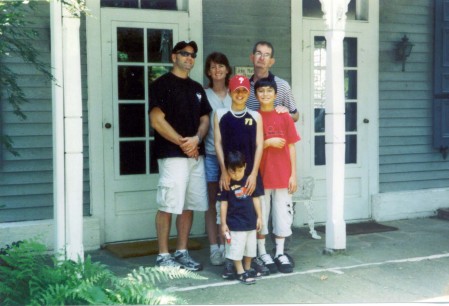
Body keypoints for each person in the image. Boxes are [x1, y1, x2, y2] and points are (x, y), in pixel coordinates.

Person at [149, 40, 212, 271]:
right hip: (172, 155)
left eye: (193, 55)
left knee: (188, 205)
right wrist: (183, 143)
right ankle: (163, 256)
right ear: (174, 57)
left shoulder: (196, 88)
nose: (189, 58)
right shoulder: (161, 85)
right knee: (168, 204)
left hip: (195, 155)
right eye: (184, 54)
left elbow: (205, 118)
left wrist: (196, 139)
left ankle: (182, 252)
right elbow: (156, 120)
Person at [214, 74, 268, 278]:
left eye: (243, 90)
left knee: (251, 215)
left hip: (249, 173)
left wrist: (253, 173)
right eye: (236, 90)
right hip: (229, 173)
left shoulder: (255, 116)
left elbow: (259, 144)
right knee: (225, 215)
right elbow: (218, 143)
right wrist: (223, 171)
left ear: (248, 93)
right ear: (230, 91)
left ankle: (250, 259)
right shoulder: (220, 114)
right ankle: (230, 259)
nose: (239, 93)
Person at [255, 77, 301, 274]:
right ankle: (262, 252)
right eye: (261, 91)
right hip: (261, 175)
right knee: (261, 215)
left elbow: (291, 146)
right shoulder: (253, 117)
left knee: (282, 214)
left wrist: (294, 175)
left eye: (269, 91)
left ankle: (280, 252)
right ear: (255, 95)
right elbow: (251, 147)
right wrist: (268, 142)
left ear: (275, 94)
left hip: (283, 174)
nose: (265, 95)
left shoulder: (284, 116)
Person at [203, 52, 233, 266]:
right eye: (213, 67)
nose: (217, 70)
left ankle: (227, 245)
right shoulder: (203, 95)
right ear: (208, 71)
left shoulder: (236, 94)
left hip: (234, 160)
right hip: (212, 156)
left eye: (221, 66)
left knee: (230, 203)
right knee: (212, 203)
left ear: (227, 69)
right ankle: (214, 247)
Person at [218, 150, 263, 285]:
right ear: (227, 169)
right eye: (232, 171)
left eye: (239, 170)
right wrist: (223, 223)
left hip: (250, 222)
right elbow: (223, 204)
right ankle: (240, 271)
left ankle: (247, 268)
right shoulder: (226, 184)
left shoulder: (250, 181)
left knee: (250, 249)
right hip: (235, 224)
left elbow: (256, 199)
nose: (236, 175)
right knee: (236, 249)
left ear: (245, 166)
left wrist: (260, 217)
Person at [246, 41, 299, 122]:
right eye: (258, 53)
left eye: (266, 55)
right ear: (252, 58)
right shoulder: (244, 87)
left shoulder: (282, 85)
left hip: (275, 133)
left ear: (271, 62)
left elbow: (296, 115)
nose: (262, 58)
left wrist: (286, 113)